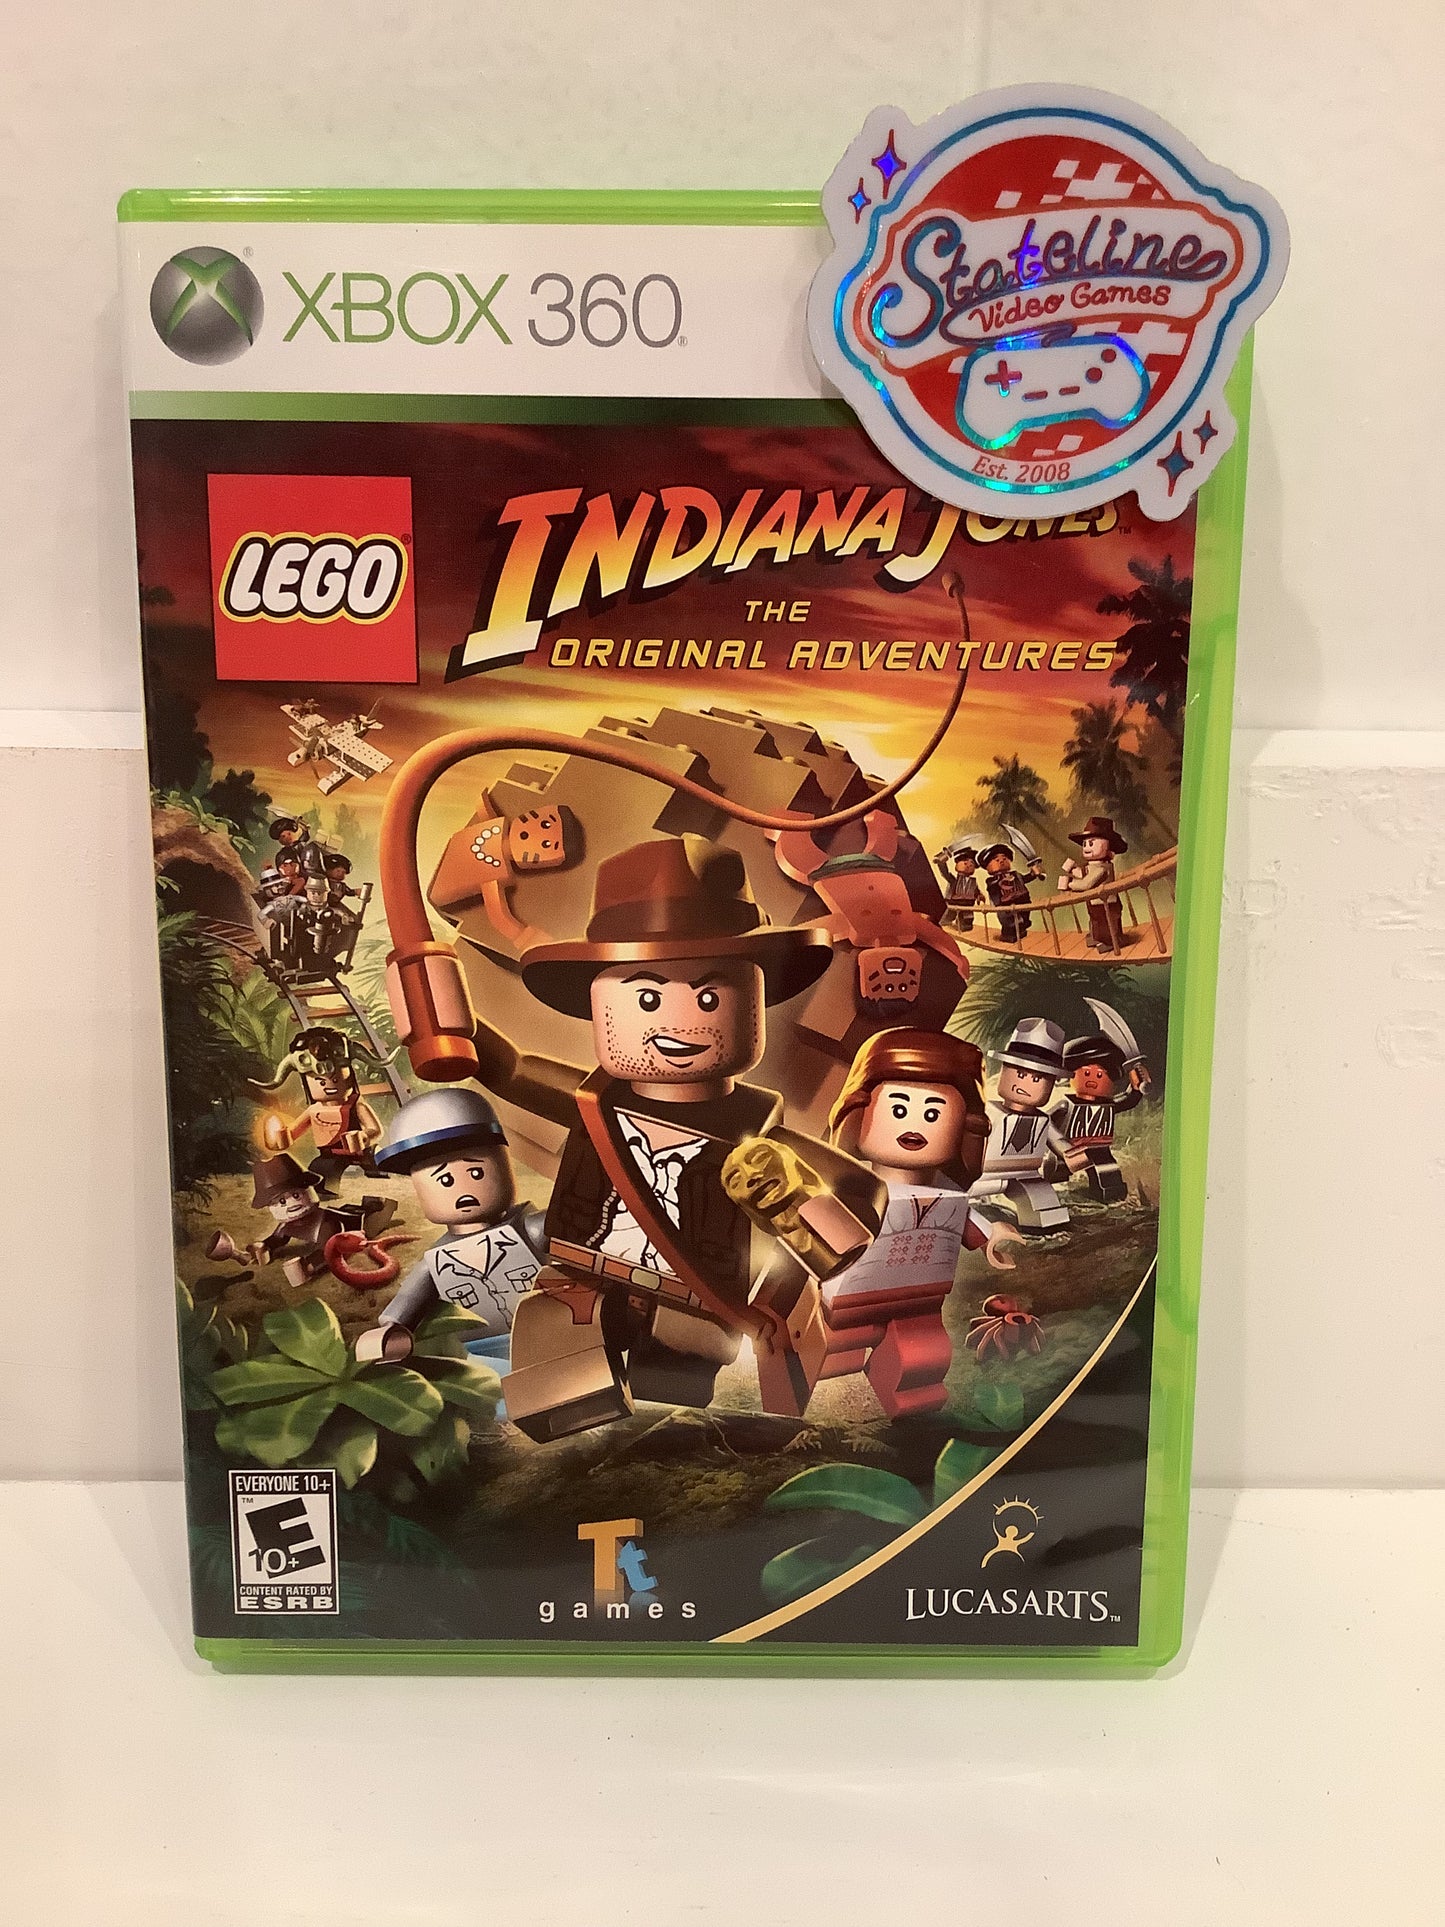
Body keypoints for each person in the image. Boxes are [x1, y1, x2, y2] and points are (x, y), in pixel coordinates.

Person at [446, 833, 887, 1442]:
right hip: (582, 1281)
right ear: (598, 1003)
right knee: (558, 1388)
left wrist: (797, 1220)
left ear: (753, 999)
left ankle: (671, 1445)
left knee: (676, 1411)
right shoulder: (590, 1103)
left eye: (709, 996)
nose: (682, 1024)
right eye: (649, 997)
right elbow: (510, 1068)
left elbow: (861, 1194)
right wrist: (444, 1015)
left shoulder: (755, 1135)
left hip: (696, 1301)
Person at [822, 1028, 1021, 1418]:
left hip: (920, 1296)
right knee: (831, 1352)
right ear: (858, 1114)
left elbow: (965, 1218)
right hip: (849, 1296)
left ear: (965, 1127)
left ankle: (910, 1417)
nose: (914, 1124)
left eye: (933, 1113)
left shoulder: (947, 1192)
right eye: (898, 1109)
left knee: (923, 1361)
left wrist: (991, 1238)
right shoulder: (852, 1188)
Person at [354, 1090, 547, 1384]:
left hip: (551, 1336)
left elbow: (576, 1225)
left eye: (476, 1173)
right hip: (485, 1357)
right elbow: (407, 1302)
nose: (462, 1189)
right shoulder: (435, 1262)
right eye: (444, 1180)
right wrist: (390, 1328)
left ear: (503, 1163)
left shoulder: (529, 1229)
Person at [971, 1018, 1073, 1234]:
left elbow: (1059, 1141)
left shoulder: (1043, 1120)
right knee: (955, 1201)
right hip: (980, 1175)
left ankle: (1044, 1229)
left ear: (1051, 1084)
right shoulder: (989, 1111)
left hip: (1027, 1174)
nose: (1025, 1084)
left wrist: (1071, 1154)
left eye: (1037, 1079)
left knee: (1047, 1210)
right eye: (1020, 1074)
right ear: (1003, 1070)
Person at [1059, 815, 1129, 952]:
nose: (1086, 847)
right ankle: (1096, 937)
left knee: (1107, 924)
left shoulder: (1103, 868)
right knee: (1095, 921)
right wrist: (1073, 869)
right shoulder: (1092, 866)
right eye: (1085, 844)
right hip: (1095, 902)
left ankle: (1109, 942)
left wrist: (1069, 884)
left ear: (1108, 847)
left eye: (1091, 844)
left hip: (1106, 903)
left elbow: (1087, 884)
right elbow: (1084, 874)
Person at [977, 841, 1043, 943]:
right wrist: (1000, 904)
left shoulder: (1016, 875)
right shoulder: (992, 881)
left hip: (1023, 902)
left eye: (1004, 858)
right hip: (1006, 906)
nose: (1001, 861)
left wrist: (1033, 873)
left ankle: (1021, 931)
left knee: (1024, 919)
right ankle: (1009, 935)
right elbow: (994, 892)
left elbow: (1025, 879)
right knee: (1011, 923)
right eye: (997, 860)